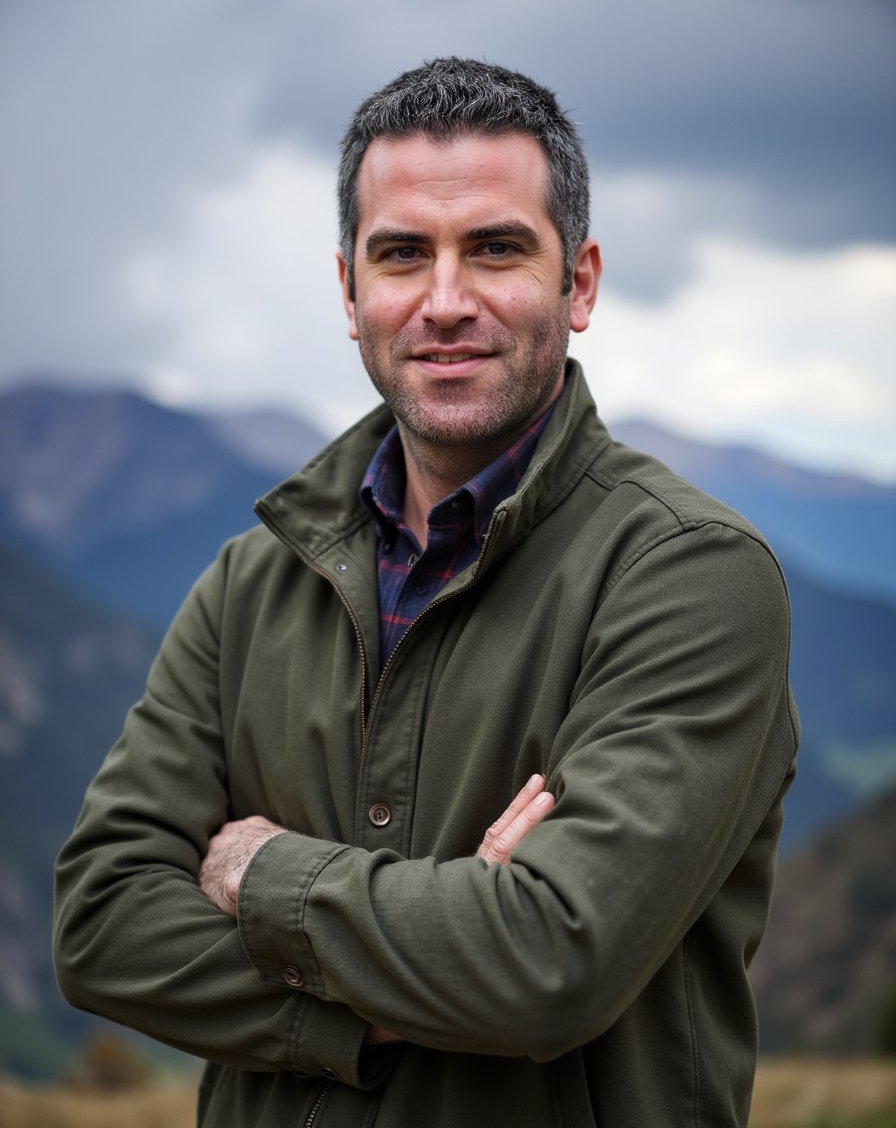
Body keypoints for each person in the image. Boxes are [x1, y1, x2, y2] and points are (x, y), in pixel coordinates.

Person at [54, 57, 799, 1127]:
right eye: (401, 255)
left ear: (577, 283)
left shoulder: (690, 574)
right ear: (350, 293)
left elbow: (547, 962)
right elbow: (101, 922)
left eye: (495, 248)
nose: (444, 302)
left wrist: (256, 874)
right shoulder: (251, 581)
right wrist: (384, 998)